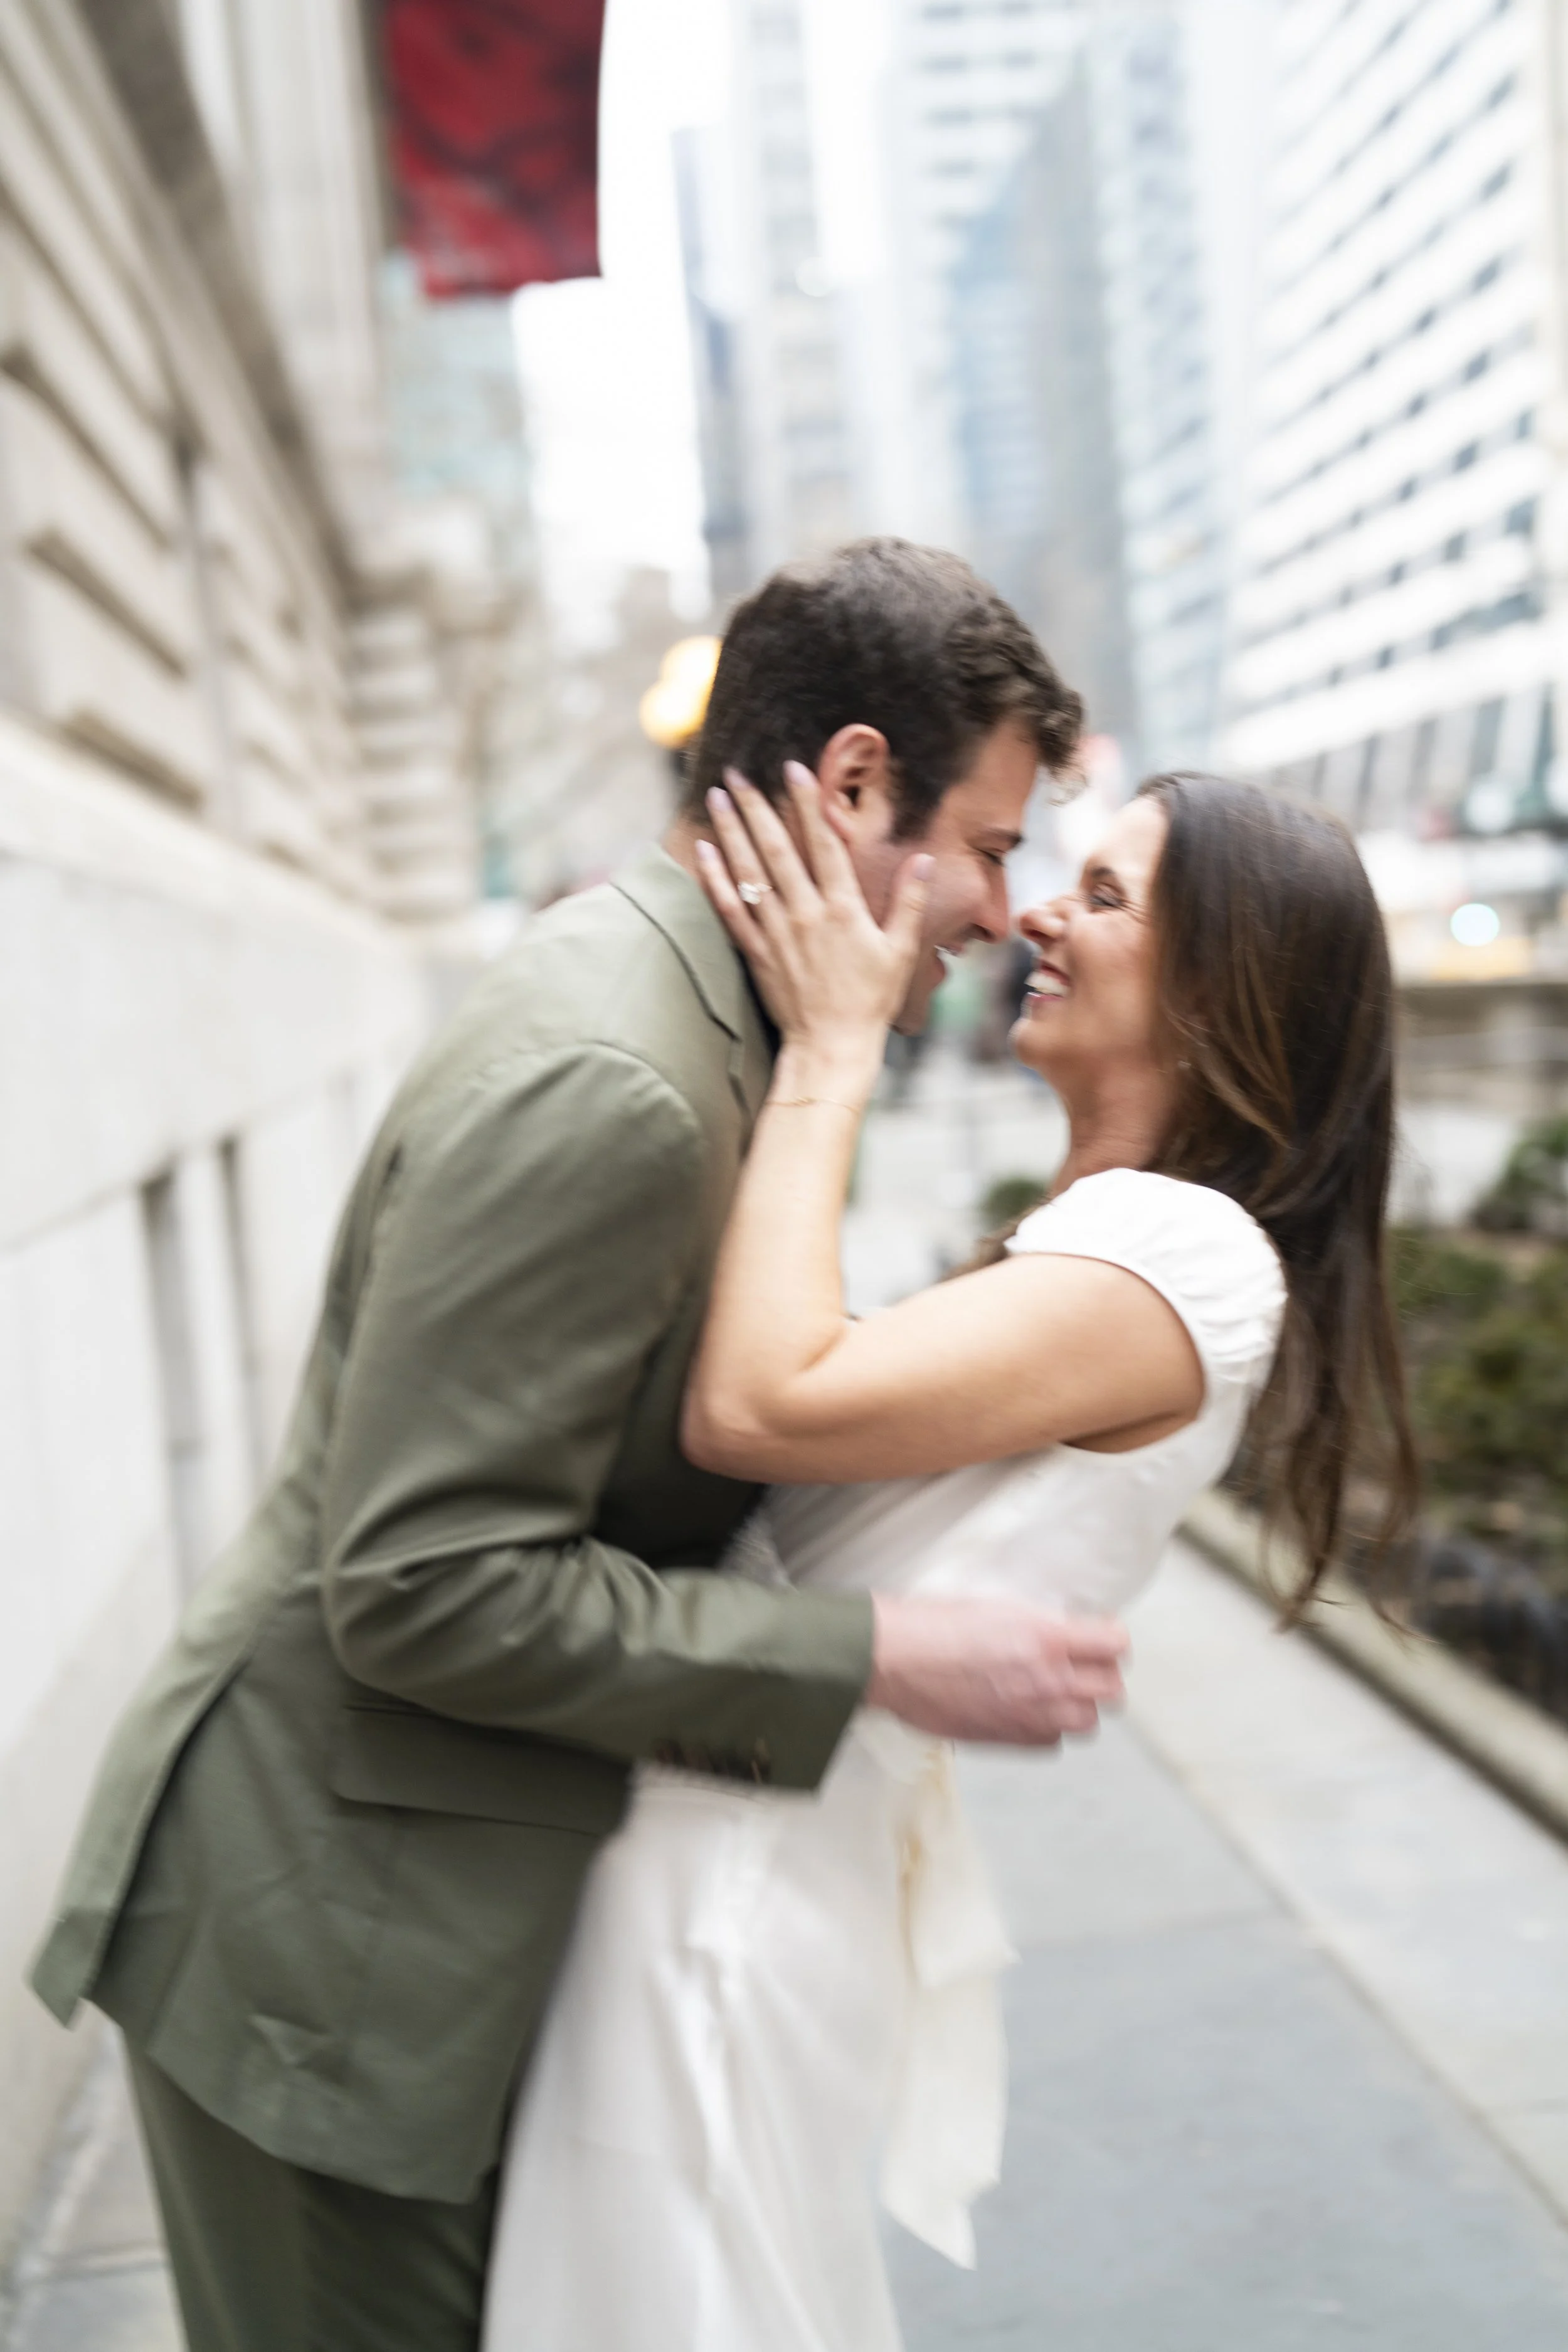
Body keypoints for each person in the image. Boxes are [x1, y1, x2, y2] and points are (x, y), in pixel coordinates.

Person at [27, 541, 1126, 2352]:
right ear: (856, 784)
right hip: (339, 1959)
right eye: (991, 846)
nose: (1003, 911)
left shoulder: (727, 1021)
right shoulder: (619, 1079)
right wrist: (871, 1655)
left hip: (440, 1913)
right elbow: (426, 1584)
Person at [480, 763, 1420, 2351]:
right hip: (736, 1859)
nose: (1037, 911)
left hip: (727, 1886)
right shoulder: (1120, 1228)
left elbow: (758, 1402)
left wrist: (832, 1047)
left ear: (1221, 992)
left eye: (1106, 894)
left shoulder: (1182, 1251)